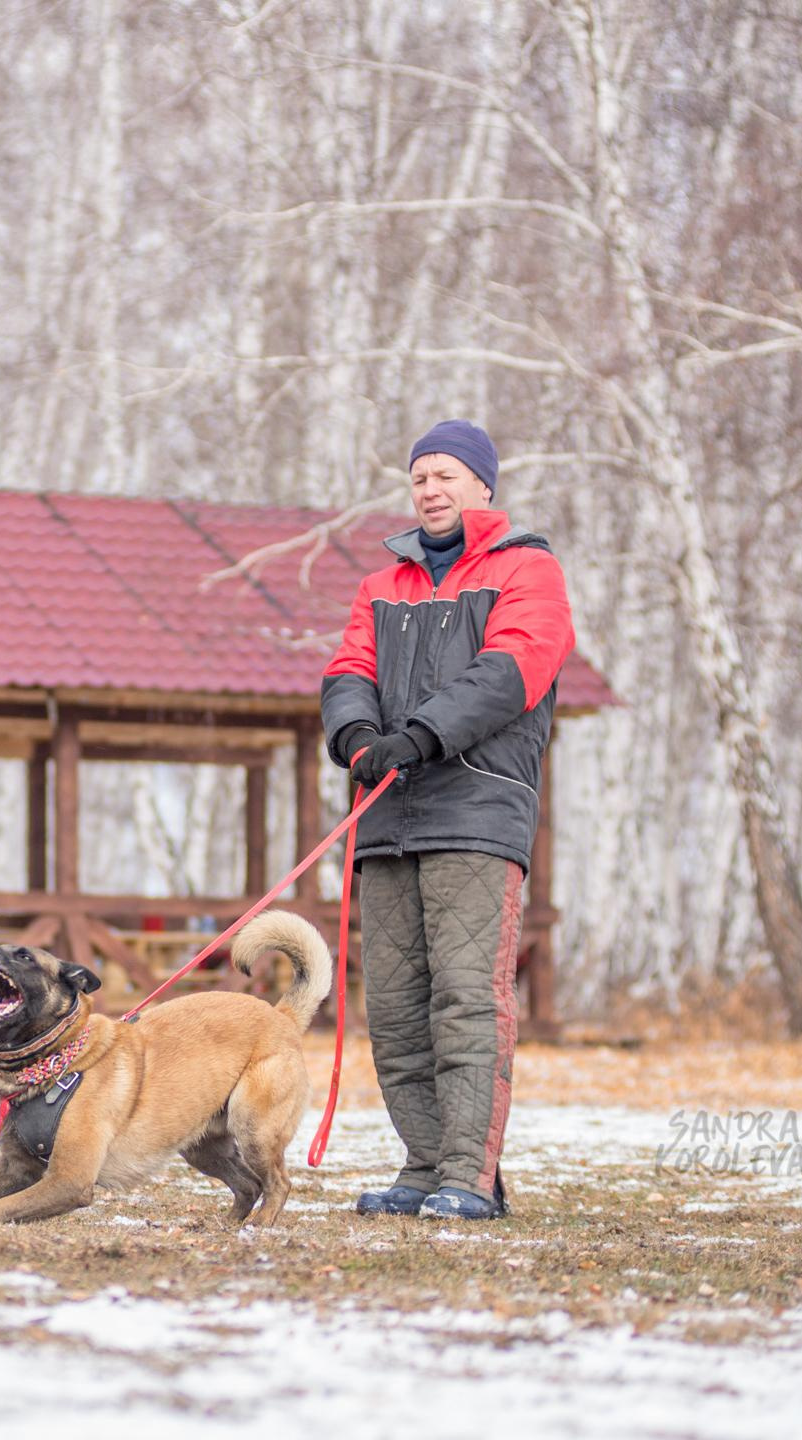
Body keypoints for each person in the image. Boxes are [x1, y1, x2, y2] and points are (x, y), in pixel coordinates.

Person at [320, 421, 574, 1221]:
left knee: (466, 996)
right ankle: (425, 1166)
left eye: (447, 475)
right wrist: (358, 733)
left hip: (475, 809)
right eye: (420, 476)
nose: (430, 489)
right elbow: (346, 670)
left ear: (483, 486)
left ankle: (471, 1174)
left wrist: (421, 736)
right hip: (387, 815)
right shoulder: (380, 586)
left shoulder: (528, 570)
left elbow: (512, 671)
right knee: (394, 1004)